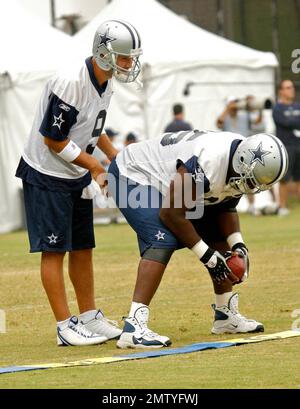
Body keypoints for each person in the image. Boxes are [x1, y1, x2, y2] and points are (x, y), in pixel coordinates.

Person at [15, 20, 143, 346]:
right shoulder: (71, 81)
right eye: (124, 57)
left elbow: (91, 128)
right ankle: (64, 325)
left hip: (74, 174)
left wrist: (117, 157)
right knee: (54, 250)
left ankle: (89, 316)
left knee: (83, 248)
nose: (129, 64)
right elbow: (53, 140)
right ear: (104, 53)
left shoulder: (106, 81)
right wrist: (96, 168)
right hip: (48, 174)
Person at [107, 130, 288, 349]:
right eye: (252, 181)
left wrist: (238, 245)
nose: (252, 187)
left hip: (167, 183)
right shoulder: (211, 160)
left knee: (216, 231)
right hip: (132, 173)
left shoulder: (240, 159)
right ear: (242, 162)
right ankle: (133, 327)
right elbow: (171, 213)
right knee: (162, 240)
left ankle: (225, 316)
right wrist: (209, 257)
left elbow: (225, 208)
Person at [273, 79, 300, 216]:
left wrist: (292, 122)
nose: (291, 90)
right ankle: (282, 206)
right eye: (288, 87)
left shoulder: (297, 106)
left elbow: (291, 122)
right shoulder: (277, 108)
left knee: (299, 178)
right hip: (286, 147)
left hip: (298, 145)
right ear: (281, 91)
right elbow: (284, 122)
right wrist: (295, 122)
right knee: (284, 178)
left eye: (292, 87)